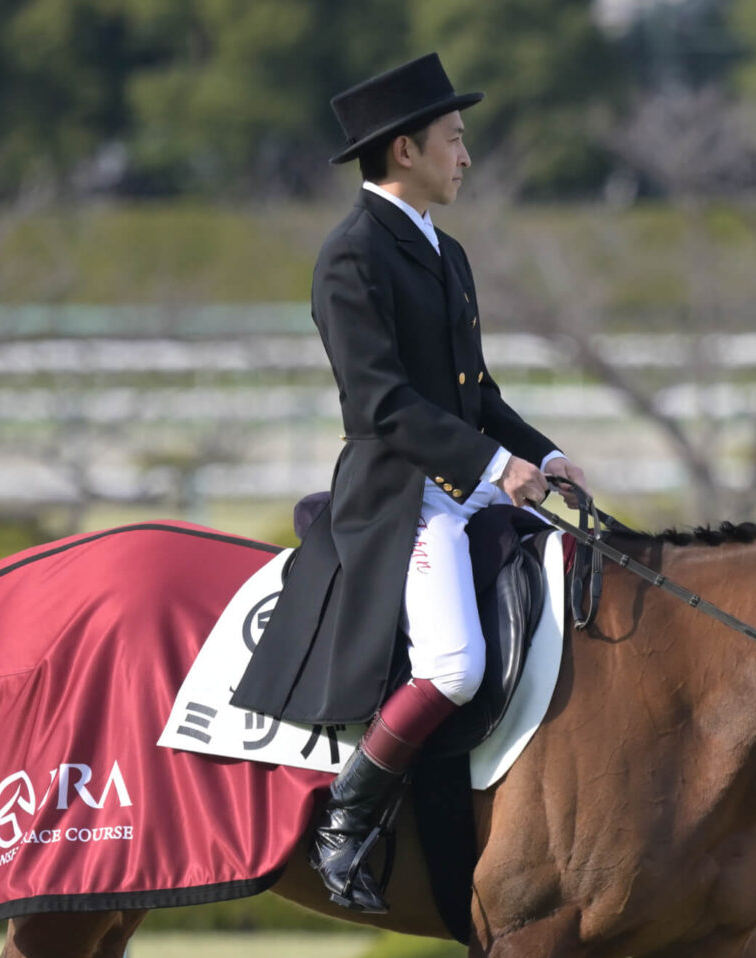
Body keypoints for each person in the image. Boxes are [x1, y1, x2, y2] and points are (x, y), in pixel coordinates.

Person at [231, 53, 587, 914]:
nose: (465, 157)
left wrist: (543, 453)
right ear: (404, 151)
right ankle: (348, 822)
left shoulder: (446, 251)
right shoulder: (350, 256)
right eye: (454, 141)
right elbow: (381, 400)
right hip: (400, 497)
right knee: (458, 665)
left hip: (464, 483)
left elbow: (477, 392)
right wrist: (491, 467)